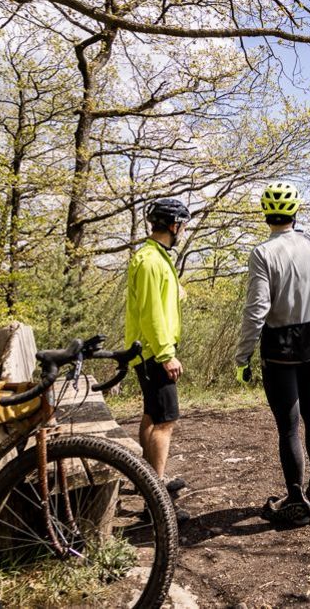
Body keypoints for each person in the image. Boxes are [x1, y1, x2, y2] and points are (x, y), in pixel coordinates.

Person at [235, 181, 310, 527]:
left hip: (279, 348)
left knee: (289, 427)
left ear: (265, 214)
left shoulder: (263, 254)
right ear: (296, 212)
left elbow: (257, 310)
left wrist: (242, 357)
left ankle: (295, 499)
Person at [126, 197, 191, 511]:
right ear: (173, 225)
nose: (183, 230)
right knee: (165, 422)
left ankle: (150, 481)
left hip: (148, 350)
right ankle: (157, 503)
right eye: (183, 225)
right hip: (154, 352)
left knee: (151, 415)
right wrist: (166, 355)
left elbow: (156, 301)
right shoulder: (152, 261)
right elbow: (151, 313)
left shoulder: (153, 256)